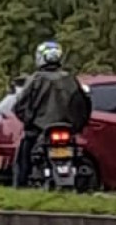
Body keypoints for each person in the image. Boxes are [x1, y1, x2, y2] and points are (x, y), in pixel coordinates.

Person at [12, 41, 92, 187]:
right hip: (68, 128)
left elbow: (21, 105)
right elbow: (83, 104)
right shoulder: (70, 79)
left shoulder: (36, 79)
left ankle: (20, 186)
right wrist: (78, 125)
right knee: (80, 153)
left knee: (24, 155)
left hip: (40, 128)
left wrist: (29, 122)